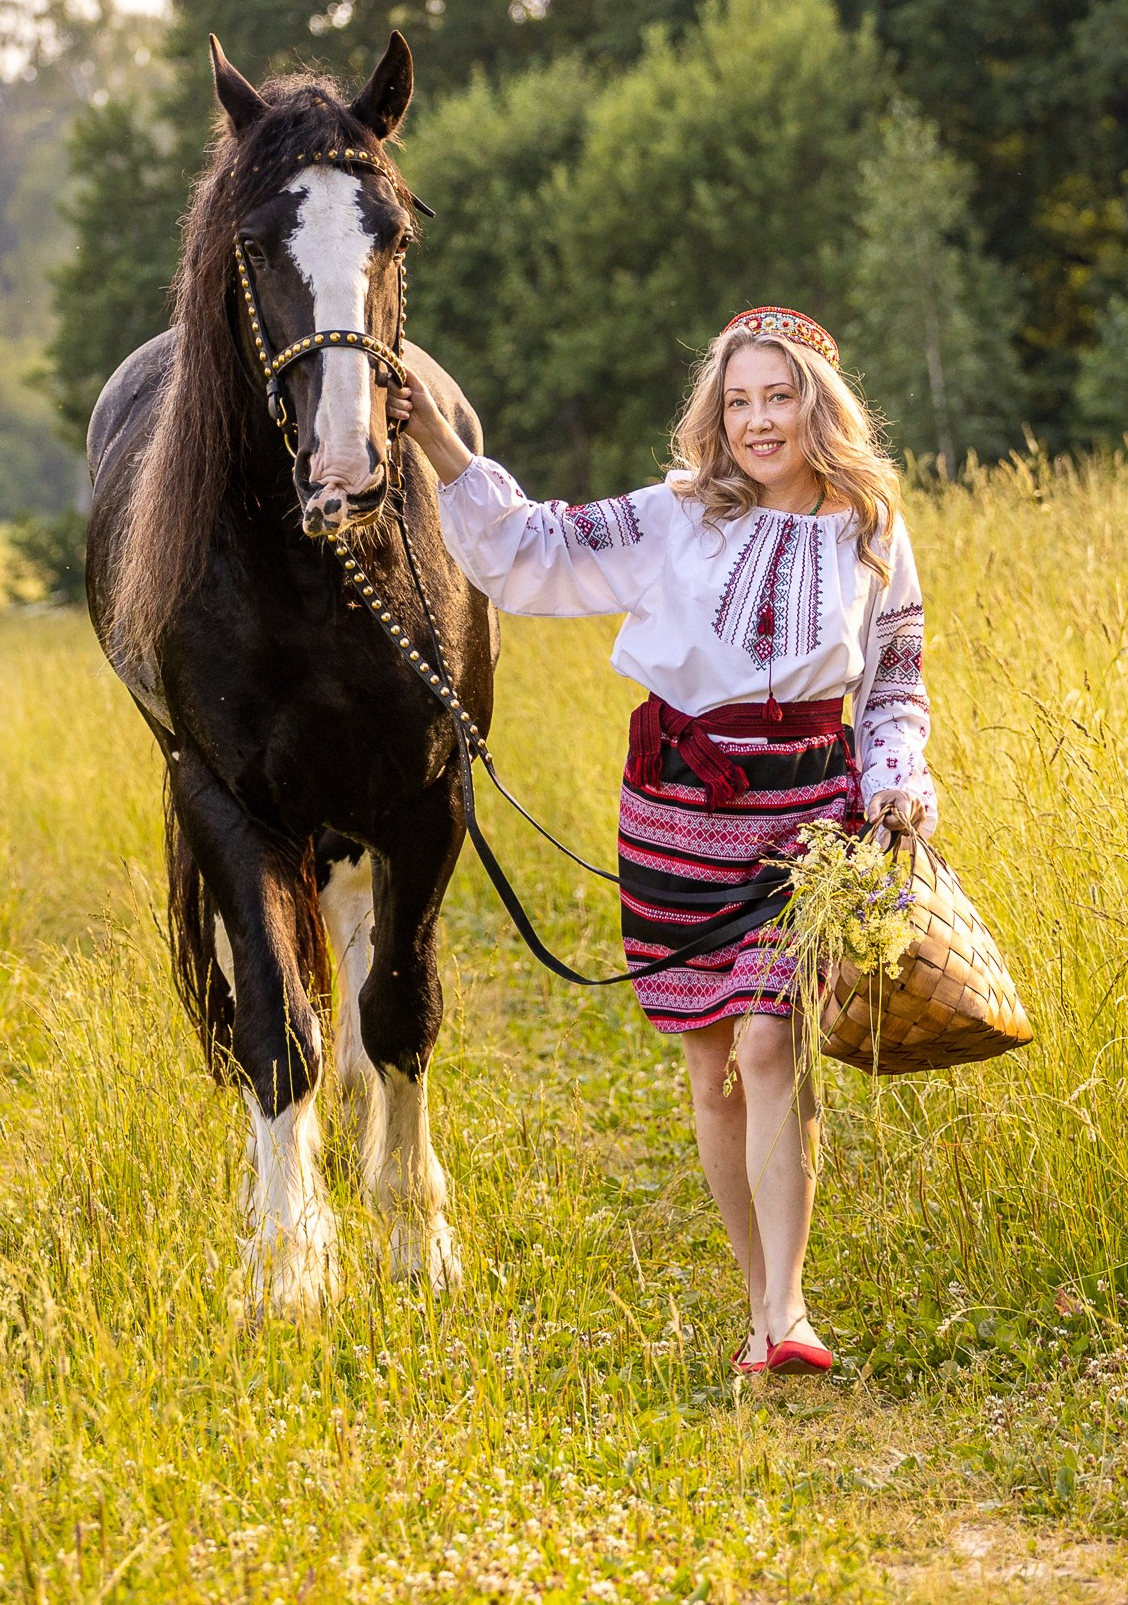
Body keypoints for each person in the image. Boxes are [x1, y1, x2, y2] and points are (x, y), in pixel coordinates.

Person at [389, 307, 937, 1377]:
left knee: (774, 1045)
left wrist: (898, 782)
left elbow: (896, 674)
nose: (757, 419)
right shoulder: (672, 514)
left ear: (817, 405)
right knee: (711, 1072)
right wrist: (438, 444)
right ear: (715, 413)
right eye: (738, 400)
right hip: (677, 809)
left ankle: (786, 1313)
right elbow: (530, 549)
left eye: (777, 396)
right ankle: (755, 1301)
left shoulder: (868, 521)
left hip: (805, 815)